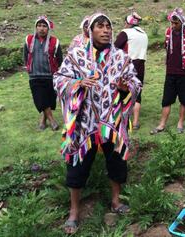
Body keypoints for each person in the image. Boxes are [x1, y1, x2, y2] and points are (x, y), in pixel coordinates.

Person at [53, 13, 142, 234]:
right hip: (85, 124)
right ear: (89, 31)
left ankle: (116, 201)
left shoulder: (121, 57)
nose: (106, 30)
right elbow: (58, 79)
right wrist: (78, 83)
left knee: (117, 161)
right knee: (77, 165)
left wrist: (126, 88)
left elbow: (135, 82)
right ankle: (74, 211)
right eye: (100, 26)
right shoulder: (76, 57)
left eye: (108, 26)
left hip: (112, 123)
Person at [150, 8, 185, 134]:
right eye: (171, 23)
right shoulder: (168, 32)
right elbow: (167, 48)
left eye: (176, 23)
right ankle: (162, 124)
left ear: (181, 22)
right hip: (171, 72)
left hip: (184, 73)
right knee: (166, 99)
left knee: (184, 99)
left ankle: (180, 123)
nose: (173, 25)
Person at [24, 15, 62, 131]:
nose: (41, 28)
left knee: (49, 99)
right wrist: (29, 67)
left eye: (44, 26)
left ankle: (42, 120)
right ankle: (52, 120)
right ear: (35, 27)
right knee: (40, 98)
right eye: (39, 26)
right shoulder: (29, 40)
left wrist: (58, 71)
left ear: (48, 28)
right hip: (35, 75)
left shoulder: (55, 41)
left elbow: (59, 58)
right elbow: (26, 56)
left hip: (50, 75)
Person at [114, 11, 148, 130]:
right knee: (137, 92)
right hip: (141, 65)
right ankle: (136, 122)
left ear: (128, 22)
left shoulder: (125, 33)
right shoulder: (144, 34)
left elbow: (115, 48)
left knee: (123, 91)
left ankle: (122, 119)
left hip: (128, 65)